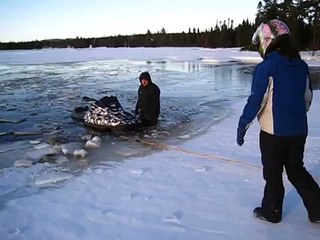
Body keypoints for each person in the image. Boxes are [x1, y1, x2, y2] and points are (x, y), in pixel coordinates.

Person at [237, 19, 320, 224]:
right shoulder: (301, 66)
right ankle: (318, 210)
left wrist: (243, 125)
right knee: (296, 170)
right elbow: (307, 98)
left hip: (273, 133)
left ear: (268, 40)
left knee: (273, 174)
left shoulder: (268, 66)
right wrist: (295, 117)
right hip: (298, 131)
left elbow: (257, 100)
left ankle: (271, 212)